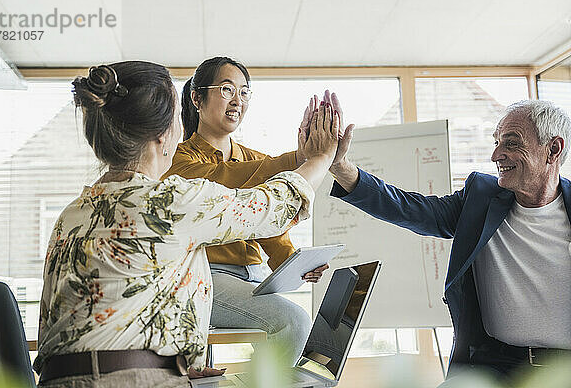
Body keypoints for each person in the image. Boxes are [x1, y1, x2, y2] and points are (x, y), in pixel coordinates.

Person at [34, 61, 339, 388]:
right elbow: (273, 204)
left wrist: (174, 368)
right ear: (164, 136)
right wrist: (320, 158)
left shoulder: (71, 214)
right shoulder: (170, 201)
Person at [327, 98, 571, 383]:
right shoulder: (480, 198)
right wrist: (341, 167)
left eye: (511, 143)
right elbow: (409, 208)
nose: (496, 155)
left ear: (553, 149)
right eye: (496, 142)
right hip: (494, 366)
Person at [162, 56, 329, 365]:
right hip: (203, 276)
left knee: (319, 340)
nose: (237, 100)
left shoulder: (257, 160)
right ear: (197, 98)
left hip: (255, 277)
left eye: (244, 91)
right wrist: (300, 160)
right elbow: (224, 180)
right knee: (293, 322)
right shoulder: (176, 158)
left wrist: (293, 263)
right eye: (226, 89)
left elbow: (270, 227)